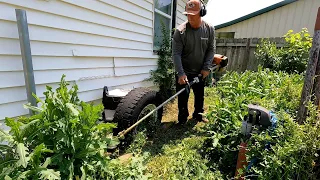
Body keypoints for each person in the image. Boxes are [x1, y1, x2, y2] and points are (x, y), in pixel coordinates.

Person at [172, 0, 215, 125]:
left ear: (202, 13)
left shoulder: (209, 29)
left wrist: (206, 67)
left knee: (199, 95)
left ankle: (198, 115)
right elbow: (176, 54)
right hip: (184, 71)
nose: (190, 17)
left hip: (201, 71)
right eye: (188, 14)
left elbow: (211, 49)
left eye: (193, 14)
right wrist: (181, 73)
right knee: (183, 97)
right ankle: (182, 119)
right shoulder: (180, 31)